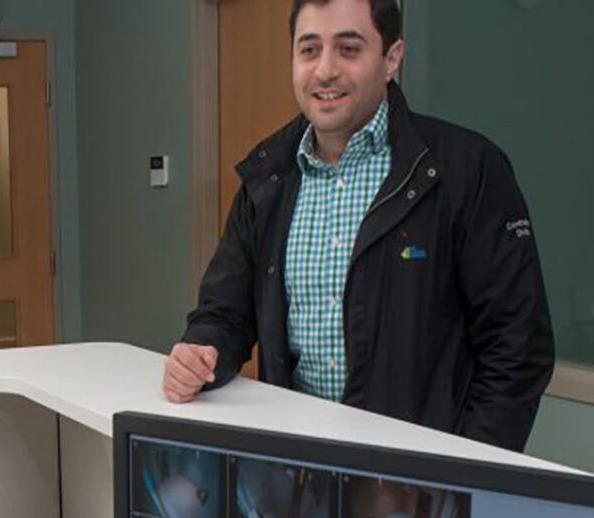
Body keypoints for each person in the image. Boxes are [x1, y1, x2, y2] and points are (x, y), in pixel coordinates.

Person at [163, 0, 554, 453]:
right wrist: (201, 351)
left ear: (392, 58)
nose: (325, 70)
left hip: (420, 480)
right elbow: (224, 313)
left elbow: (517, 347)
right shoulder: (265, 179)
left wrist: (467, 471)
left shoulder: (467, 170)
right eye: (309, 50)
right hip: (299, 471)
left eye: (349, 48)